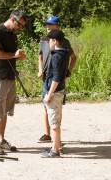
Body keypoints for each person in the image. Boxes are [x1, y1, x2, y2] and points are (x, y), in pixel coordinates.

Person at [0, 10, 28, 155]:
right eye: (20, 25)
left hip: (10, 76)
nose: (20, 29)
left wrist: (18, 56)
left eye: (22, 26)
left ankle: (0, 139)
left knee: (4, 110)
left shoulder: (12, 35)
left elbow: (12, 55)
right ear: (12, 19)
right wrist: (13, 55)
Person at [38, 16, 77, 143]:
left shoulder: (63, 41)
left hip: (56, 79)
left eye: (50, 24)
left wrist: (67, 71)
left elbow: (73, 57)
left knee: (55, 105)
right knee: (45, 104)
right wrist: (40, 70)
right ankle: (47, 134)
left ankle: (56, 140)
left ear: (58, 26)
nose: (47, 26)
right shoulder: (44, 40)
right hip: (46, 78)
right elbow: (40, 56)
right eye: (46, 24)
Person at [42, 29, 70, 158]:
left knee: (53, 123)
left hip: (55, 92)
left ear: (54, 41)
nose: (48, 44)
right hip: (60, 91)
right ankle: (56, 145)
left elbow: (57, 77)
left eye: (49, 41)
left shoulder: (56, 56)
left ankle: (55, 150)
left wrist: (49, 94)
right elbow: (66, 74)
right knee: (56, 119)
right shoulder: (65, 53)